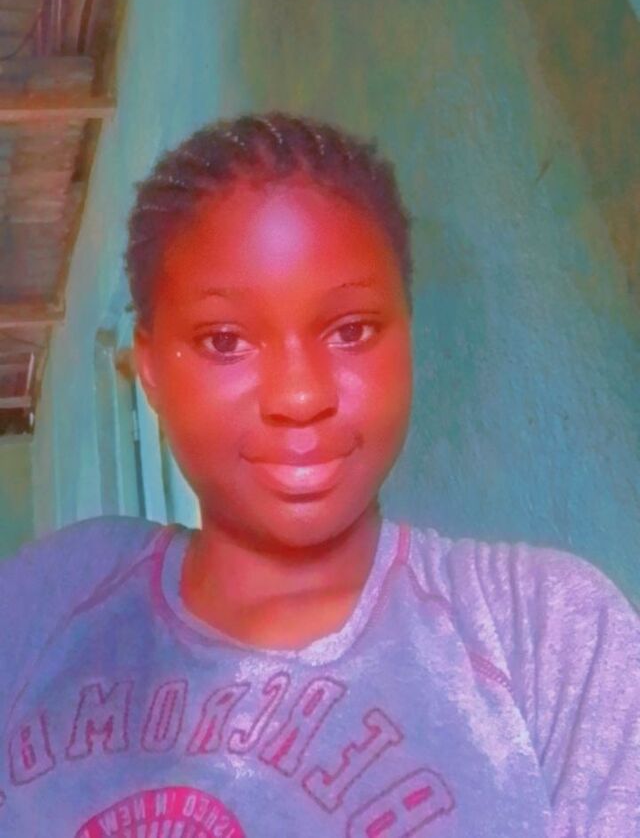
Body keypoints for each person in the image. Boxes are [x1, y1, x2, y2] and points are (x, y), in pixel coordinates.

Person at [0, 111, 638, 837]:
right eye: (225, 341)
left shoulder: (541, 632)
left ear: (408, 334)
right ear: (148, 367)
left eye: (351, 331)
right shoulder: (53, 601)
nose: (300, 397)